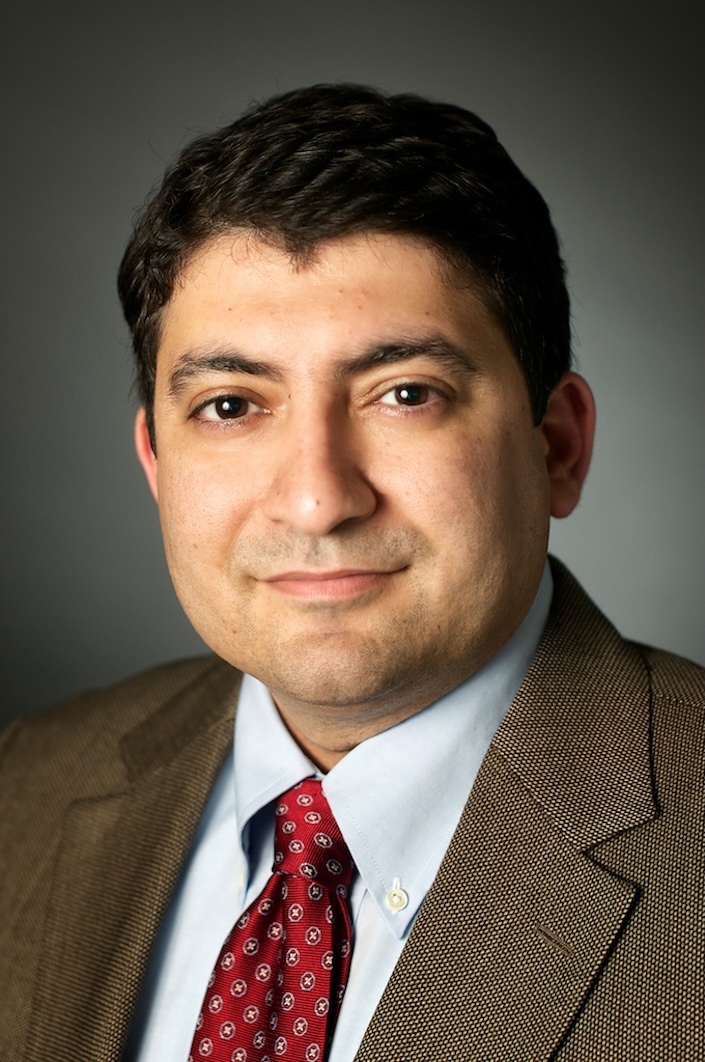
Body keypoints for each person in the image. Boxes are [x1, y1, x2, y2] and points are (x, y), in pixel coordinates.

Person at [0, 84, 702, 1062]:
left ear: (557, 447)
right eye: (233, 406)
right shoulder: (25, 789)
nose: (318, 498)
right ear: (156, 463)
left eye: (404, 394)